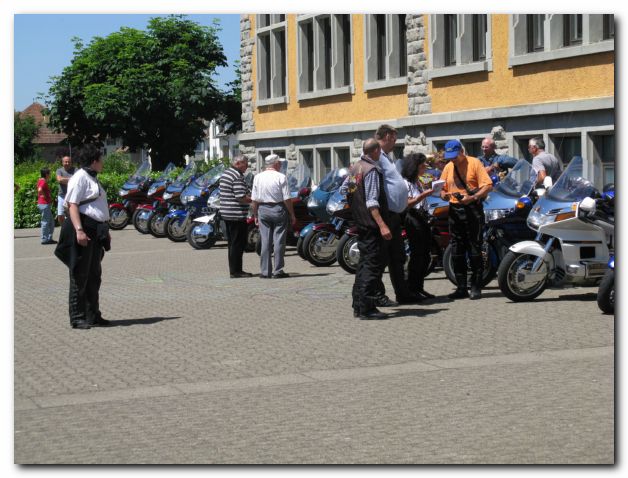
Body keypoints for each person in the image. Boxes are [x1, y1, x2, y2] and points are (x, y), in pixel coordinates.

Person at [58, 144, 111, 329]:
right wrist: (79, 230)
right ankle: (77, 316)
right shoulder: (80, 177)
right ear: (94, 161)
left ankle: (93, 314)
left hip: (96, 231)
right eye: (101, 159)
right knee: (80, 275)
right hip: (85, 229)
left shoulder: (92, 178)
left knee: (94, 275)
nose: (102, 163)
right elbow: (72, 205)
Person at [440, 139, 493, 300]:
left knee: (474, 248)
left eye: (455, 156)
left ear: (462, 152)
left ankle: (476, 286)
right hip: (455, 210)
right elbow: (442, 188)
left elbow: (488, 185)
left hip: (472, 209)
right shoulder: (449, 166)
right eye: (450, 157)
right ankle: (461, 287)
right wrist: (443, 194)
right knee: (456, 249)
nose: (452, 159)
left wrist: (474, 197)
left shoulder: (475, 163)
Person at [373, 124, 420, 305]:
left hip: (394, 215)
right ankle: (377, 295)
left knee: (397, 256)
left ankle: (403, 293)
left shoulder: (386, 156)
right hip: (384, 215)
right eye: (393, 139)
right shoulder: (375, 156)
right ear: (385, 137)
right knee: (381, 258)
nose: (395, 143)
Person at [350, 138, 390, 320]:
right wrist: (382, 225)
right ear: (375, 152)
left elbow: (346, 190)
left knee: (363, 263)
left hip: (360, 222)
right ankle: (367, 307)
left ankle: (358, 305)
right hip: (371, 224)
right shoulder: (371, 170)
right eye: (379, 152)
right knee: (372, 266)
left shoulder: (355, 167)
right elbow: (372, 201)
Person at [251, 154, 296, 279]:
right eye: (279, 163)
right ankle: (278, 270)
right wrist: (292, 214)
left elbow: (254, 199)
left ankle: (265, 271)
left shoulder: (258, 177)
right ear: (275, 164)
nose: (281, 165)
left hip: (263, 209)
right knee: (279, 241)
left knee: (265, 241)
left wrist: (255, 214)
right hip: (278, 208)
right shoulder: (281, 177)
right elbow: (287, 198)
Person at [400, 153, 435, 300]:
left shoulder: (417, 181)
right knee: (417, 255)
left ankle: (419, 287)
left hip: (422, 218)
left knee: (425, 255)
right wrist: (423, 195)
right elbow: (408, 203)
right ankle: (412, 288)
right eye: (422, 166)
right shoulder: (405, 183)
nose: (425, 168)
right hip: (413, 219)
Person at [220, 155, 253, 278]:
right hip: (236, 214)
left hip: (227, 213)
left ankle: (235, 270)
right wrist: (253, 200)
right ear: (238, 163)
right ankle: (236, 271)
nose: (247, 166)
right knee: (238, 243)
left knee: (232, 243)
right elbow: (241, 197)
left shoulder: (227, 173)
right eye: (246, 163)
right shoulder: (237, 176)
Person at [55, 152, 76, 226]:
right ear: (62, 162)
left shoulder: (75, 170)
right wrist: (72, 180)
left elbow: (77, 181)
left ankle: (72, 228)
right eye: (65, 162)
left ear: (71, 162)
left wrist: (65, 180)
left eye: (69, 162)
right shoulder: (59, 170)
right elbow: (59, 180)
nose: (67, 163)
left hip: (72, 196)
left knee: (72, 214)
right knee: (60, 215)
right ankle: (63, 228)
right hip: (62, 196)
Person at [37, 168, 56, 244]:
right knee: (45, 222)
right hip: (44, 204)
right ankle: (44, 239)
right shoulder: (43, 181)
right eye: (49, 173)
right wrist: (45, 196)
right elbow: (39, 189)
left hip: (44, 204)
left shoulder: (41, 180)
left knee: (51, 222)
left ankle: (49, 238)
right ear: (46, 174)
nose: (50, 175)